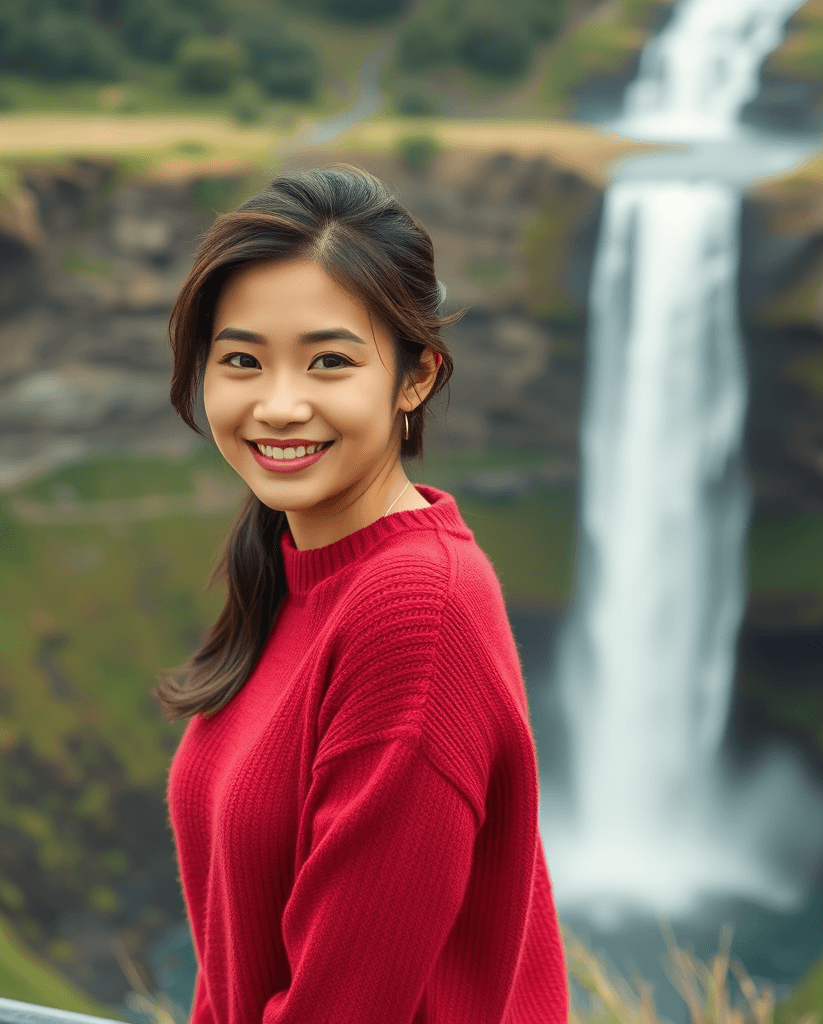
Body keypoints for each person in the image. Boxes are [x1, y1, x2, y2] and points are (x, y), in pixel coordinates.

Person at [157, 166, 569, 1023]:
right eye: (241, 360)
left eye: (330, 362)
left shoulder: (416, 609)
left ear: (415, 379)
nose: (277, 405)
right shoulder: (287, 560)